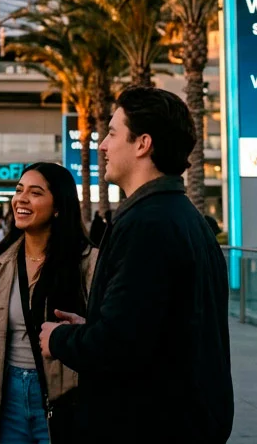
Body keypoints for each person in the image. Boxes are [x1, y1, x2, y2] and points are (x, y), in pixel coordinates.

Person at [40, 86, 233, 443]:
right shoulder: (185, 218)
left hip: (150, 425)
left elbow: (119, 346)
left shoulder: (147, 224)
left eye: (112, 134)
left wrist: (61, 339)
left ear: (142, 144)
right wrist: (93, 324)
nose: (102, 146)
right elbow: (156, 327)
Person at [0, 163, 97, 444]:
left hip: (66, 401)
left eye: (35, 193)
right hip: (6, 399)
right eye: (19, 190)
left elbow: (107, 335)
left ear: (58, 207)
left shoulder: (89, 263)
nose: (21, 199)